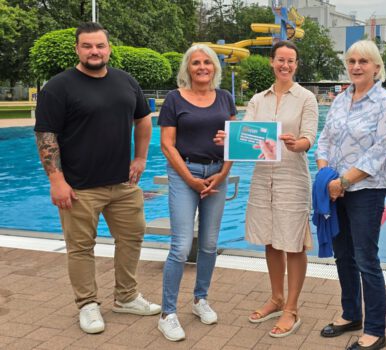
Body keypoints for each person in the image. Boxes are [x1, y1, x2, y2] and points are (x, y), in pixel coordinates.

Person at [34, 22, 160, 335]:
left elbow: (143, 119)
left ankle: (126, 296)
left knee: (132, 237)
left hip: (123, 184)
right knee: (80, 248)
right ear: (77, 49)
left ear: (108, 48)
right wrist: (56, 180)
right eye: (88, 46)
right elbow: (46, 135)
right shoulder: (58, 87)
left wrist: (141, 158)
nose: (95, 51)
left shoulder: (125, 81)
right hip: (78, 187)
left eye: (100, 46)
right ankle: (87, 304)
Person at [215, 40, 318, 338]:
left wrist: (296, 144)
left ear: (296, 65)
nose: (286, 65)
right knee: (271, 240)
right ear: (272, 62)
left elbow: (309, 138)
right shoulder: (258, 100)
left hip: (292, 178)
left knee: (294, 243)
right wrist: (229, 139)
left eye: (291, 61)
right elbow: (246, 136)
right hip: (263, 178)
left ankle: (292, 308)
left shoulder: (306, 98)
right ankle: (276, 298)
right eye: (281, 60)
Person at [316, 39, 386, 350]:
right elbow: (324, 140)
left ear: (376, 68)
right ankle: (351, 313)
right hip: (335, 189)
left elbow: (379, 153)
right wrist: (326, 175)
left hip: (365, 190)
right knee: (343, 255)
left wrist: (343, 182)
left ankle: (376, 330)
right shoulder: (340, 100)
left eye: (363, 62)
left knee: (366, 259)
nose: (356, 67)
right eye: (351, 61)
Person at [156, 44, 236, 342]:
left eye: (207, 62)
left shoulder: (225, 98)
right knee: (179, 246)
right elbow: (167, 144)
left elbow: (235, 141)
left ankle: (200, 298)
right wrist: (190, 178)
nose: (202, 67)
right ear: (187, 69)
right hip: (184, 174)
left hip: (218, 173)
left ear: (215, 67)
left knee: (210, 244)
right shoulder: (175, 99)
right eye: (195, 63)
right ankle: (167, 314)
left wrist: (223, 173)